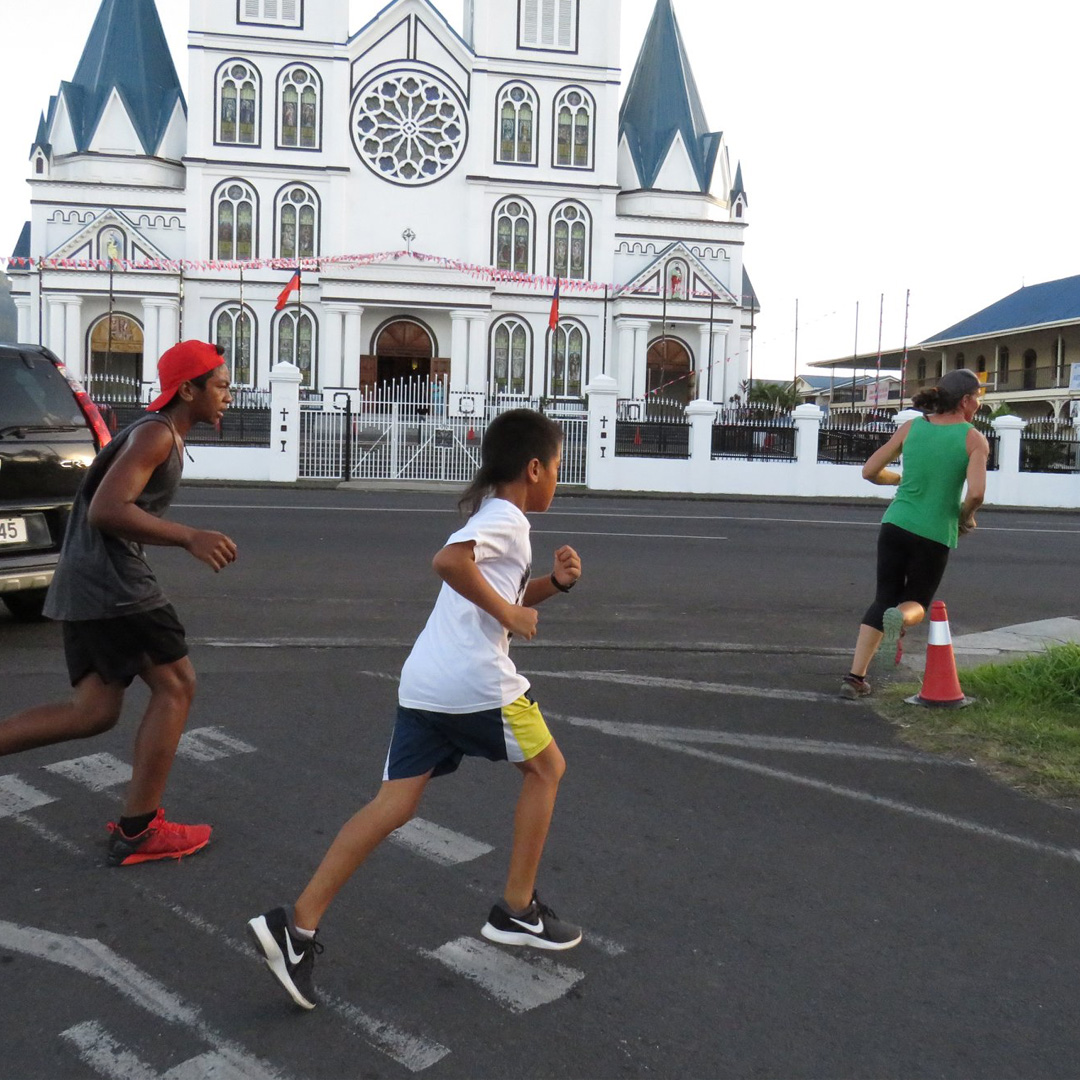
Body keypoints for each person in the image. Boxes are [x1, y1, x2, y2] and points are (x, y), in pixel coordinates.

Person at [248, 409, 582, 1010]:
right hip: (474, 684)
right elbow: (449, 565)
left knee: (394, 804)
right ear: (534, 468)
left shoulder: (495, 518)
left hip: (425, 682)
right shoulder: (508, 518)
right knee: (547, 769)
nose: (559, 476)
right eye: (558, 465)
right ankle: (516, 909)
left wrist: (548, 588)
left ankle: (294, 929)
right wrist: (510, 616)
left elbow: (491, 592)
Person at [0, 341, 238, 863]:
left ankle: (138, 826)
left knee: (93, 711)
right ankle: (140, 829)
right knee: (176, 684)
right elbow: (107, 510)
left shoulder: (157, 433)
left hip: (86, 581)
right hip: (112, 584)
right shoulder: (155, 434)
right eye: (219, 385)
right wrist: (189, 537)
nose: (228, 394)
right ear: (189, 389)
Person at [840, 368, 989, 698]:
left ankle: (855, 677)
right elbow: (976, 493)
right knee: (916, 602)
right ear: (965, 401)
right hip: (934, 531)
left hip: (895, 523)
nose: (978, 404)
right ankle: (900, 617)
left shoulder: (912, 428)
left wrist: (899, 480)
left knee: (883, 598)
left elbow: (869, 472)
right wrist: (964, 518)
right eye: (978, 397)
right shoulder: (972, 438)